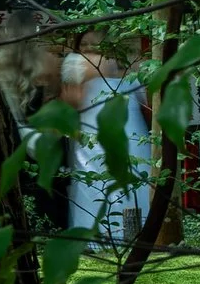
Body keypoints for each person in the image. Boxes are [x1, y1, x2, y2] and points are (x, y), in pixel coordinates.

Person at [61, 33, 151, 244]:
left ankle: (129, 236)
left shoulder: (128, 68)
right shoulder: (76, 64)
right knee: (96, 182)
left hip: (129, 132)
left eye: (95, 43)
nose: (90, 48)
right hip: (95, 134)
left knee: (128, 180)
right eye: (84, 44)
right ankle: (105, 237)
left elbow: (146, 104)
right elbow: (71, 101)